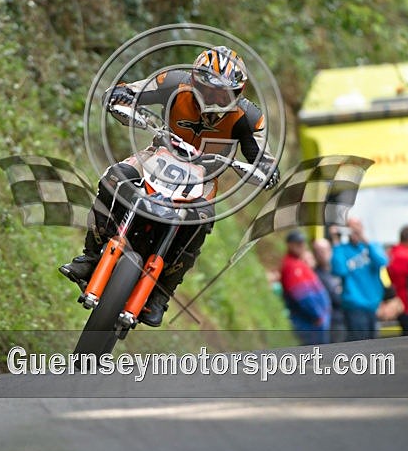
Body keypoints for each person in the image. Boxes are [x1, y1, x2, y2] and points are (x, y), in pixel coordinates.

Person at [59, 46, 280, 327]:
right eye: (207, 88)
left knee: (201, 219)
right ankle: (91, 257)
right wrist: (120, 95)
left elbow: (263, 155)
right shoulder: (173, 82)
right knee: (115, 177)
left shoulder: (248, 117)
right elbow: (130, 90)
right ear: (194, 80)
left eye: (222, 93)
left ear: (237, 93)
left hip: (203, 176)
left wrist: (266, 169)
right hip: (159, 154)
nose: (213, 98)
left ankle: (160, 295)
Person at [331, 217, 388, 341]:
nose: (354, 230)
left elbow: (382, 261)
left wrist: (365, 239)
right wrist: (336, 240)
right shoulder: (342, 249)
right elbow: (339, 270)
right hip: (354, 305)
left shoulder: (371, 246)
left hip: (373, 305)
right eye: (350, 227)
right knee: (360, 344)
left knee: (374, 344)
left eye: (357, 226)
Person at [280, 230, 331, 345]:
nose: (301, 246)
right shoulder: (291, 266)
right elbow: (302, 296)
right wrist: (317, 314)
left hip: (316, 322)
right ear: (290, 245)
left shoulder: (299, 263)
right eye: (297, 243)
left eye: (302, 243)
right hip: (308, 323)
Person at [313, 237, 346, 343]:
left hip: (348, 318)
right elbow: (334, 297)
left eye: (324, 250)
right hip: (332, 322)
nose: (322, 254)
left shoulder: (339, 269)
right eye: (318, 251)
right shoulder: (314, 275)